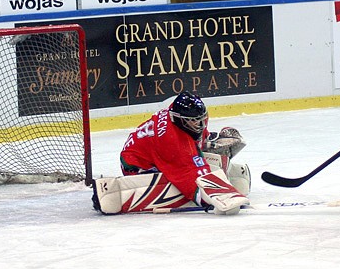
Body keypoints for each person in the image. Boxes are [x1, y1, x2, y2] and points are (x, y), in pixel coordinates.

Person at [93, 92, 250, 215]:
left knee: (204, 165)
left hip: (149, 151)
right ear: (179, 119)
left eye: (201, 119)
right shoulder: (172, 141)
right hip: (136, 165)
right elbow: (193, 178)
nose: (200, 124)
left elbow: (191, 140)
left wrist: (207, 141)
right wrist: (222, 198)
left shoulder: (176, 114)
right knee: (182, 183)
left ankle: (229, 175)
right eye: (195, 122)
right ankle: (112, 193)